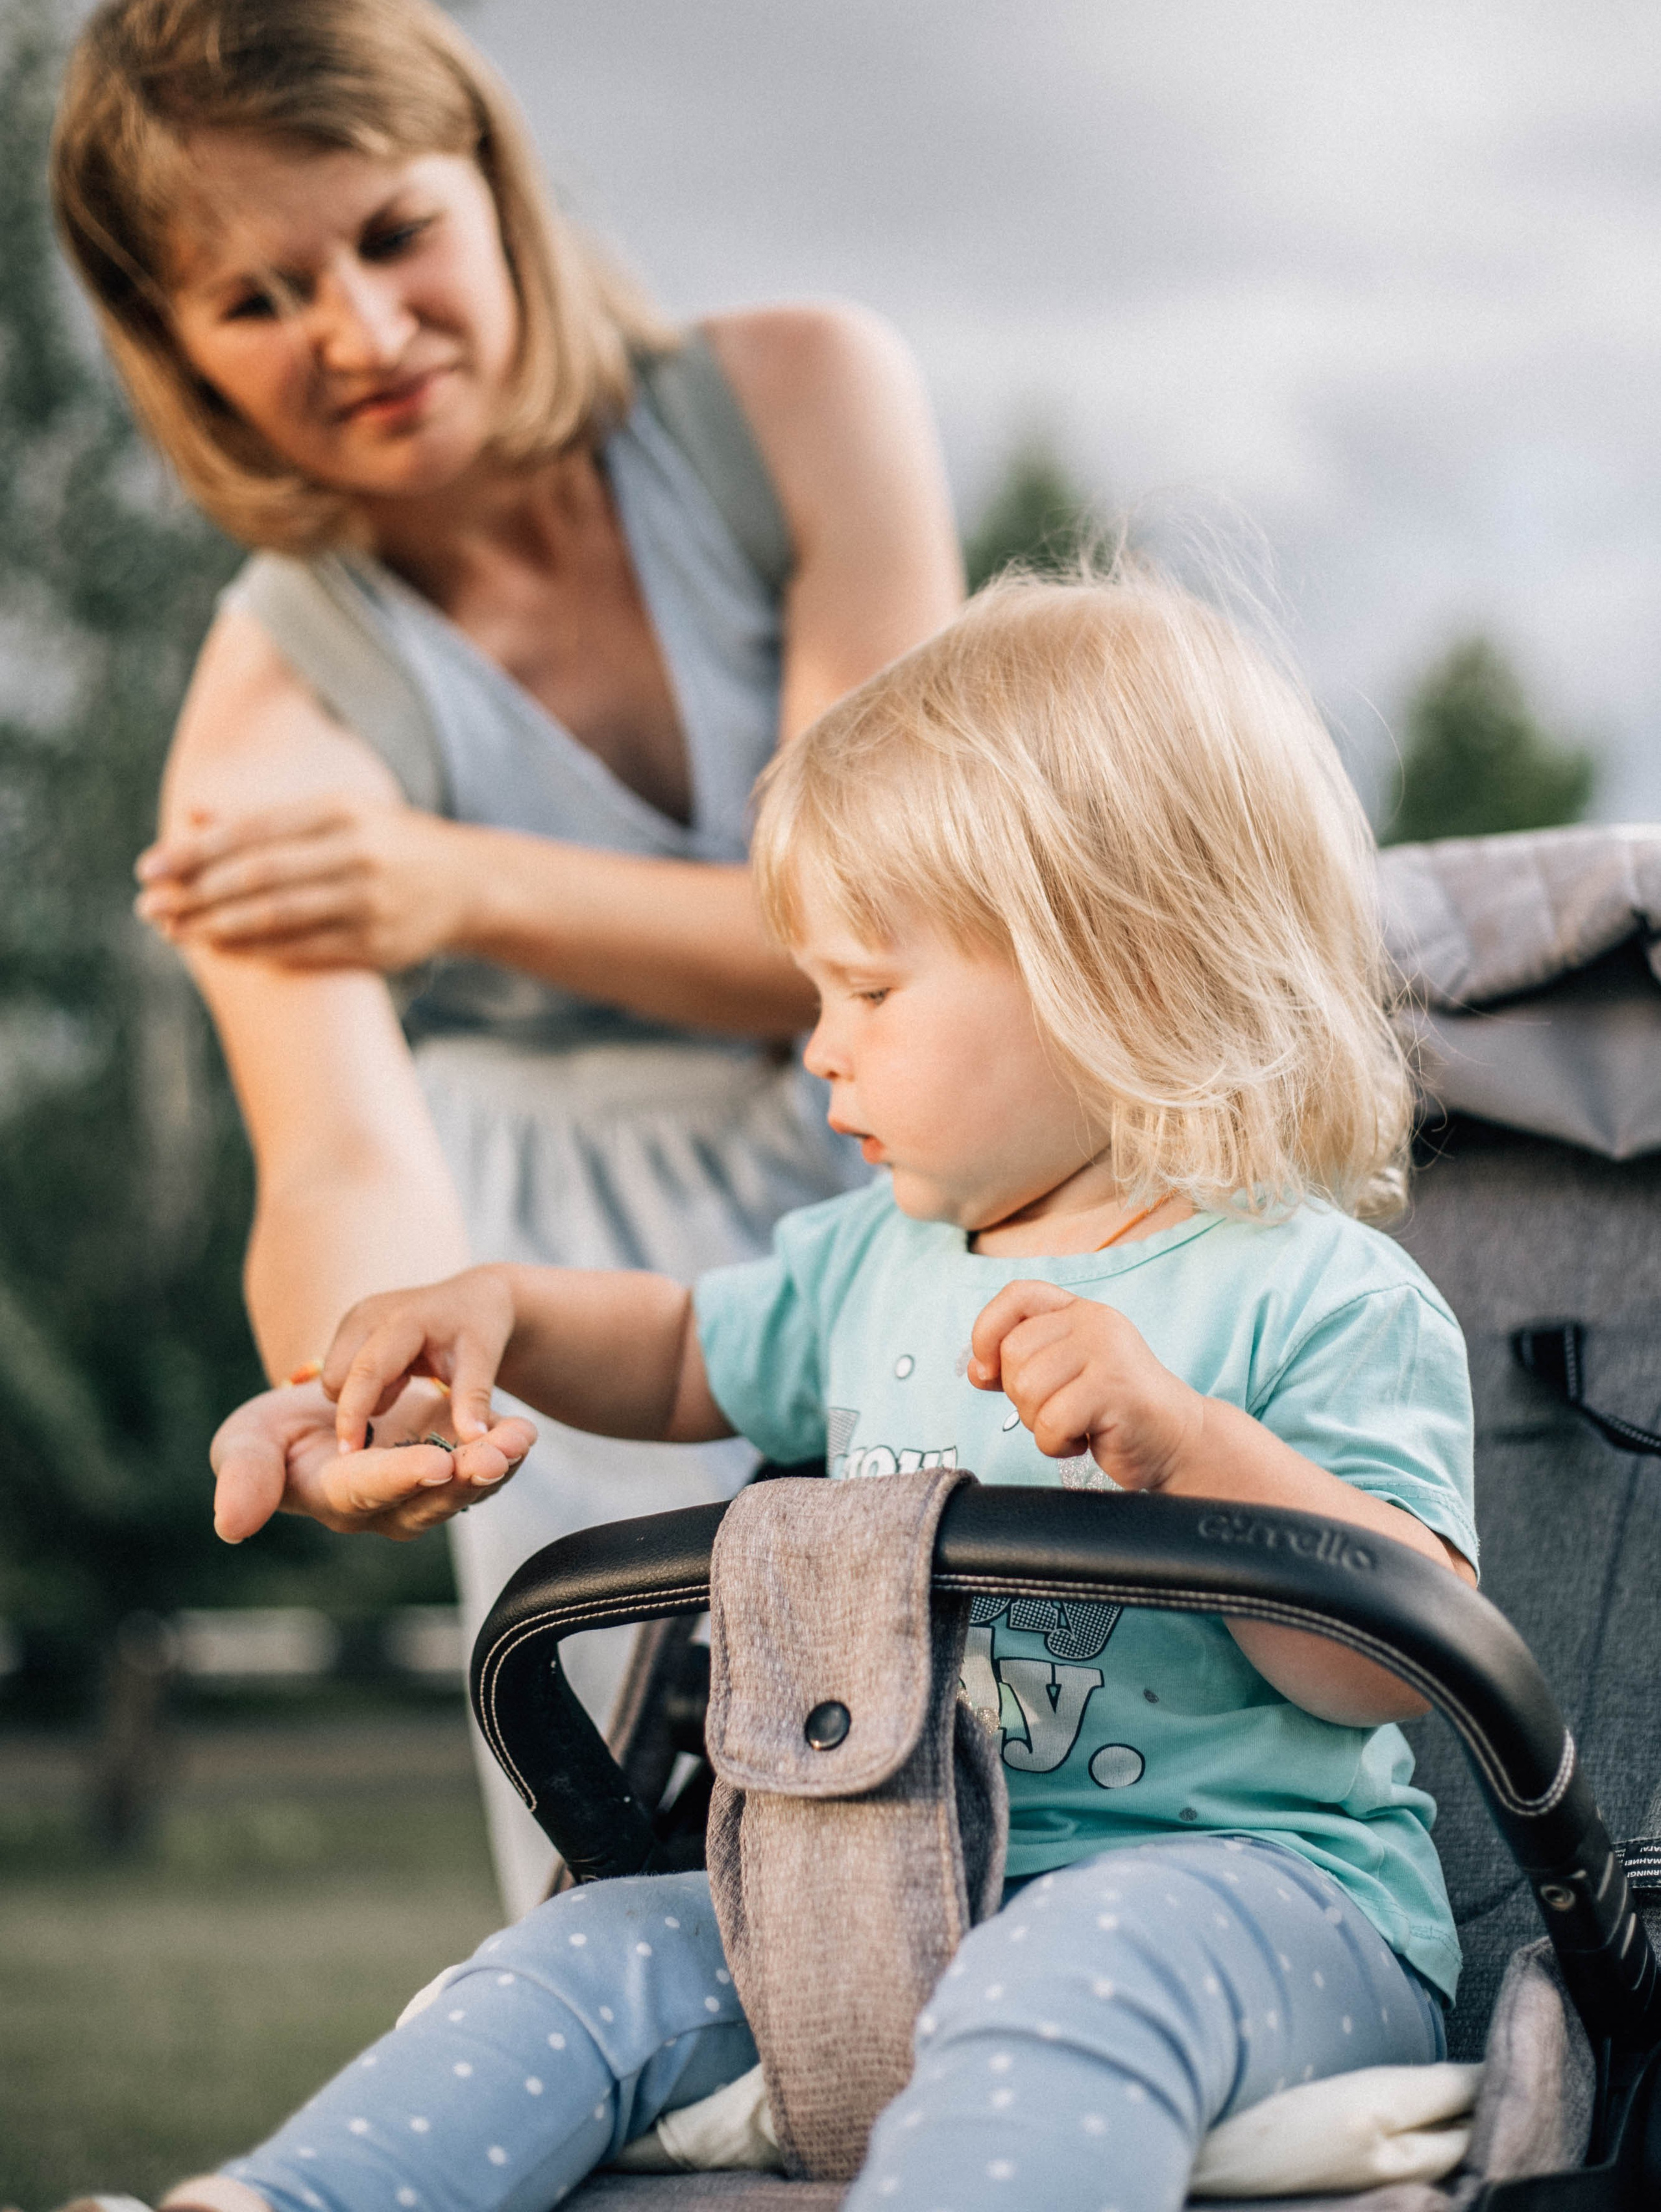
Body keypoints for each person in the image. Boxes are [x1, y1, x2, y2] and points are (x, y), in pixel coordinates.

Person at [139, 566, 1477, 2212]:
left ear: (1108, 969)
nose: (816, 1045)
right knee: (583, 1959)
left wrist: (1189, 1445)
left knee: (1074, 1962)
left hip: (1259, 1901)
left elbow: (1391, 1668)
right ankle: (286, 2200)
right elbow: (678, 1348)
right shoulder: (875, 1260)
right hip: (884, 1884)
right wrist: (489, 1309)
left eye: (869, 990)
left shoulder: (1316, 1291)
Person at [51, 0, 962, 1913]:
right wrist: (359, 1386)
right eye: (258, 295)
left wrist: (458, 885)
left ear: (487, 170)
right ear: (175, 343)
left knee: (1037, 1760)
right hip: (557, 1295)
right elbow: (343, 1154)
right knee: (680, 1894)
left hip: (929, 1167)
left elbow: (882, 930)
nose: (357, 332)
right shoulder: (273, 709)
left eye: (387, 232)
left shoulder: (800, 399)